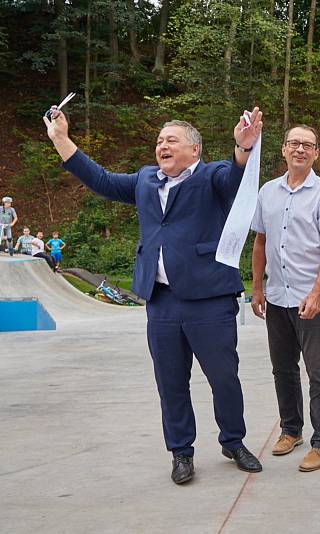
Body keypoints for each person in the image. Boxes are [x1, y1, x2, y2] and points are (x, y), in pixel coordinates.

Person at [44, 105, 265, 485]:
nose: (162, 145)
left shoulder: (212, 176)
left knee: (224, 377)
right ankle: (181, 452)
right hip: (161, 301)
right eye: (160, 140)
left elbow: (236, 179)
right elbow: (100, 180)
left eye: (172, 140)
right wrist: (62, 140)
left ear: (194, 150)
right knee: (170, 381)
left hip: (209, 298)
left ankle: (233, 441)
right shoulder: (145, 180)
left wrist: (243, 149)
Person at [250, 125, 320, 472]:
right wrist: (258, 288)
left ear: (317, 153)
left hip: (311, 298)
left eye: (308, 145)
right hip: (277, 296)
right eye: (294, 143)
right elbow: (260, 242)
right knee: (283, 368)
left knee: (319, 370)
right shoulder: (267, 192)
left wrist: (317, 293)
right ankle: (291, 429)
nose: (300, 150)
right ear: (283, 149)